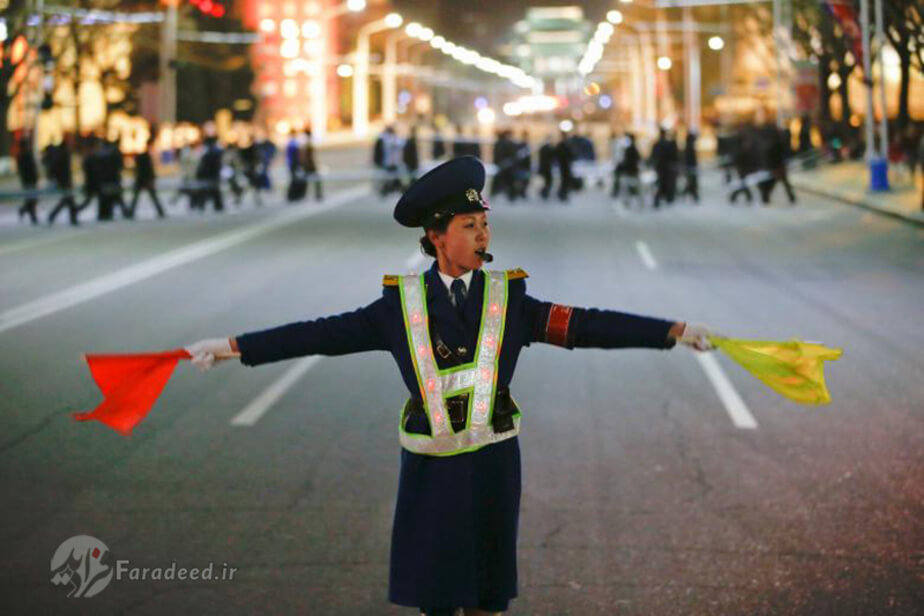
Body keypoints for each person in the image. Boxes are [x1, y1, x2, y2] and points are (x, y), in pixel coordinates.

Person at [184, 156, 717, 616]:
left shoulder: (511, 301)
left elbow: (586, 325)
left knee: (487, 593)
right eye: (468, 225)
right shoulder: (399, 306)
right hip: (431, 465)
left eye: (484, 223)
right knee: (436, 594)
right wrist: (234, 346)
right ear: (437, 236)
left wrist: (669, 332)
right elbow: (320, 334)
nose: (483, 235)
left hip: (493, 463)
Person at [129, 136, 166, 218]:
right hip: (144, 179)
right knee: (150, 196)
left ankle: (130, 212)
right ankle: (160, 211)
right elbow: (146, 169)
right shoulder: (145, 156)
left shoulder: (146, 155)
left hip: (142, 179)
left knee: (138, 197)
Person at [650, 128, 679, 208]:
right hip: (666, 167)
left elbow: (653, 156)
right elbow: (672, 156)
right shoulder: (667, 144)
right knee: (666, 183)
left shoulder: (657, 144)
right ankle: (667, 198)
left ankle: (658, 199)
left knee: (660, 183)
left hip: (660, 167)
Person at [16, 137, 40, 225]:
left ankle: (26, 212)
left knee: (31, 199)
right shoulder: (25, 156)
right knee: (32, 199)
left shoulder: (22, 156)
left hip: (28, 180)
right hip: (29, 181)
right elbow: (31, 169)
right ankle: (32, 216)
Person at [301, 128, 324, 201]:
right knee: (315, 179)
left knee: (307, 180)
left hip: (308, 164)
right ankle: (317, 194)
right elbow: (306, 156)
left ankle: (304, 194)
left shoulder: (306, 142)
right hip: (309, 164)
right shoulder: (307, 143)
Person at [680, 131, 700, 203]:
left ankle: (693, 196)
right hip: (690, 168)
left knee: (691, 183)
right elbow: (689, 160)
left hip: (690, 168)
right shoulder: (689, 148)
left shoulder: (689, 147)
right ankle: (694, 196)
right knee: (691, 183)